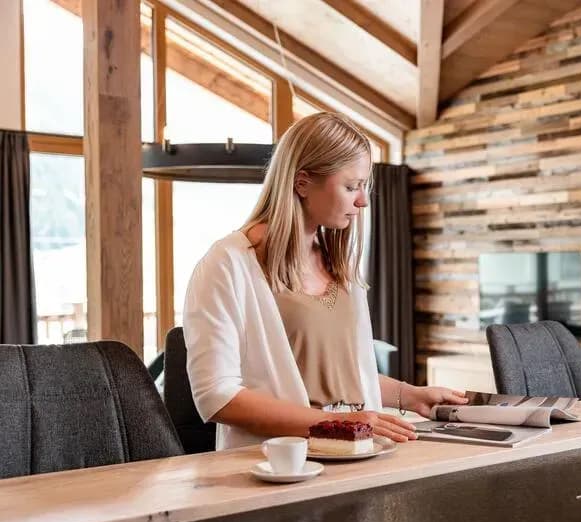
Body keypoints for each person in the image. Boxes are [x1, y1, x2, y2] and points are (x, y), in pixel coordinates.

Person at [183, 112, 467, 450]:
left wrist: (411, 396)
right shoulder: (227, 264)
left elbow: (342, 381)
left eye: (364, 187)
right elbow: (217, 396)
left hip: (360, 458)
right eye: (351, 186)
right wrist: (337, 426)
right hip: (279, 471)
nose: (362, 201)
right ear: (302, 183)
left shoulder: (339, 264)